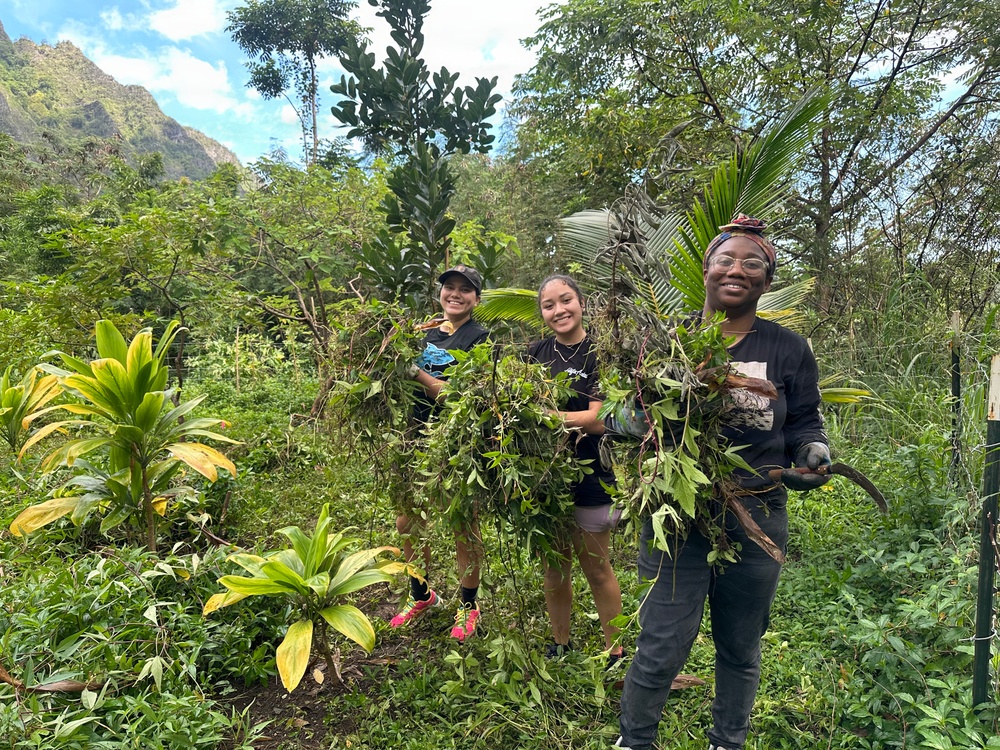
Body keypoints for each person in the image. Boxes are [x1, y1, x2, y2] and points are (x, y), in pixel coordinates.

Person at [615, 216, 831, 750]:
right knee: (661, 643)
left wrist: (813, 454)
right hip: (676, 516)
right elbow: (621, 412)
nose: (737, 270)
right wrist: (635, 420)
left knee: (739, 645)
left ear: (767, 278)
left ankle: (726, 742)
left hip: (757, 513)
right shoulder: (669, 341)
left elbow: (805, 422)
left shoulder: (788, 348)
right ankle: (635, 741)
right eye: (725, 260)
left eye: (752, 263)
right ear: (707, 270)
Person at [527, 275, 624, 663]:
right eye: (548, 305)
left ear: (582, 303)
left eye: (565, 300)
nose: (558, 310)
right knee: (555, 569)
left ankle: (614, 649)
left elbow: (601, 419)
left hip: (591, 474)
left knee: (597, 568)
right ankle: (560, 642)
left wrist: (546, 416)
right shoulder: (534, 354)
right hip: (545, 478)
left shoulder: (602, 353)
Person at [390, 264, 490, 642]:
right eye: (450, 287)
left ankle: (468, 605)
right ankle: (421, 594)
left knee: (463, 524)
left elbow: (459, 396)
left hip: (456, 442)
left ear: (476, 299)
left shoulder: (479, 338)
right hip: (414, 436)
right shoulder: (427, 332)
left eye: (466, 289)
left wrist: (418, 374)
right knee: (407, 521)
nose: (456, 294)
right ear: (440, 293)